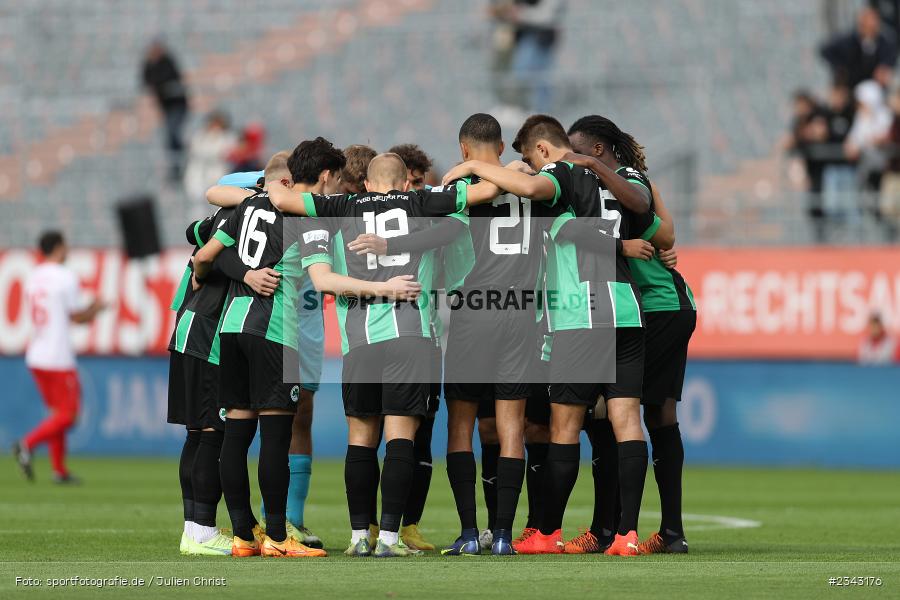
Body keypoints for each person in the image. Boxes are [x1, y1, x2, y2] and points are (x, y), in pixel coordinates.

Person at [267, 151, 499, 558]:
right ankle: (391, 538)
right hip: (411, 334)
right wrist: (466, 169)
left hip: (359, 341)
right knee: (400, 438)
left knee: (360, 439)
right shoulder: (423, 203)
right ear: (406, 183)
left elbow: (282, 198)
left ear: (368, 184)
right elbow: (488, 192)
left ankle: (360, 537)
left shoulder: (340, 206)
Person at [443, 114, 655, 557]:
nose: (530, 167)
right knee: (626, 421)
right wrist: (623, 243)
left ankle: (546, 531)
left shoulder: (558, 174)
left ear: (542, 149)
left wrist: (475, 169)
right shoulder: (625, 178)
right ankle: (627, 535)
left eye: (529, 158)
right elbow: (660, 227)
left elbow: (536, 193)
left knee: (563, 426)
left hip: (579, 310)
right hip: (626, 306)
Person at [193, 150, 340, 559]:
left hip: (233, 326)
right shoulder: (307, 218)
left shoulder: (249, 203)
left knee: (237, 436)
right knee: (276, 437)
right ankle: (277, 535)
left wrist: (243, 274)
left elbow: (213, 250)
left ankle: (243, 534)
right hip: (275, 330)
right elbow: (322, 279)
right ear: (323, 177)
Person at [567, 115, 694, 555]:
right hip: (649, 307)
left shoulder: (628, 185)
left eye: (578, 150)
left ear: (598, 151)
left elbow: (665, 230)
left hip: (657, 306)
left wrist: (633, 237)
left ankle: (612, 530)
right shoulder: (594, 187)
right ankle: (666, 532)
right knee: (655, 417)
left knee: (612, 414)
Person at [168, 201, 276, 556]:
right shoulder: (246, 229)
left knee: (198, 434)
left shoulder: (224, 222)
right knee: (213, 434)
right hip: (208, 336)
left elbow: (193, 232)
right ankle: (201, 531)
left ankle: (192, 528)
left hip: (187, 325)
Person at [13, 232, 105, 483]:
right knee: (69, 415)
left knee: (57, 414)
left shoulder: (34, 275)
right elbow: (76, 318)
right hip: (57, 356)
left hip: (37, 355)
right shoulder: (65, 276)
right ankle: (27, 444)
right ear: (58, 247)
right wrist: (97, 308)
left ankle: (59, 470)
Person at [489, 0, 566, 115]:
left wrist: (521, 14)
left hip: (542, 37)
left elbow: (547, 15)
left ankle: (539, 111)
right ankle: (530, 110)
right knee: (527, 74)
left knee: (536, 77)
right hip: (524, 36)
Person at [141, 39, 190, 180]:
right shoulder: (149, 64)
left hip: (177, 105)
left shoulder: (167, 62)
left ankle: (180, 160)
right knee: (170, 135)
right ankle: (176, 165)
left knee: (173, 132)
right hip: (166, 107)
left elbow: (171, 80)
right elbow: (147, 81)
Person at [820, 6, 898, 89]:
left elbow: (890, 57)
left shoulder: (886, 41)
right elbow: (825, 49)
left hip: (875, 85)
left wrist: (885, 66)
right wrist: (840, 68)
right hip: (851, 84)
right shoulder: (847, 41)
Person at [184, 111, 236, 205]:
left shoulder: (227, 137)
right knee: (197, 200)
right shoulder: (201, 136)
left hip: (217, 171)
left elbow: (224, 153)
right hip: (198, 171)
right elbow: (195, 150)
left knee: (216, 199)